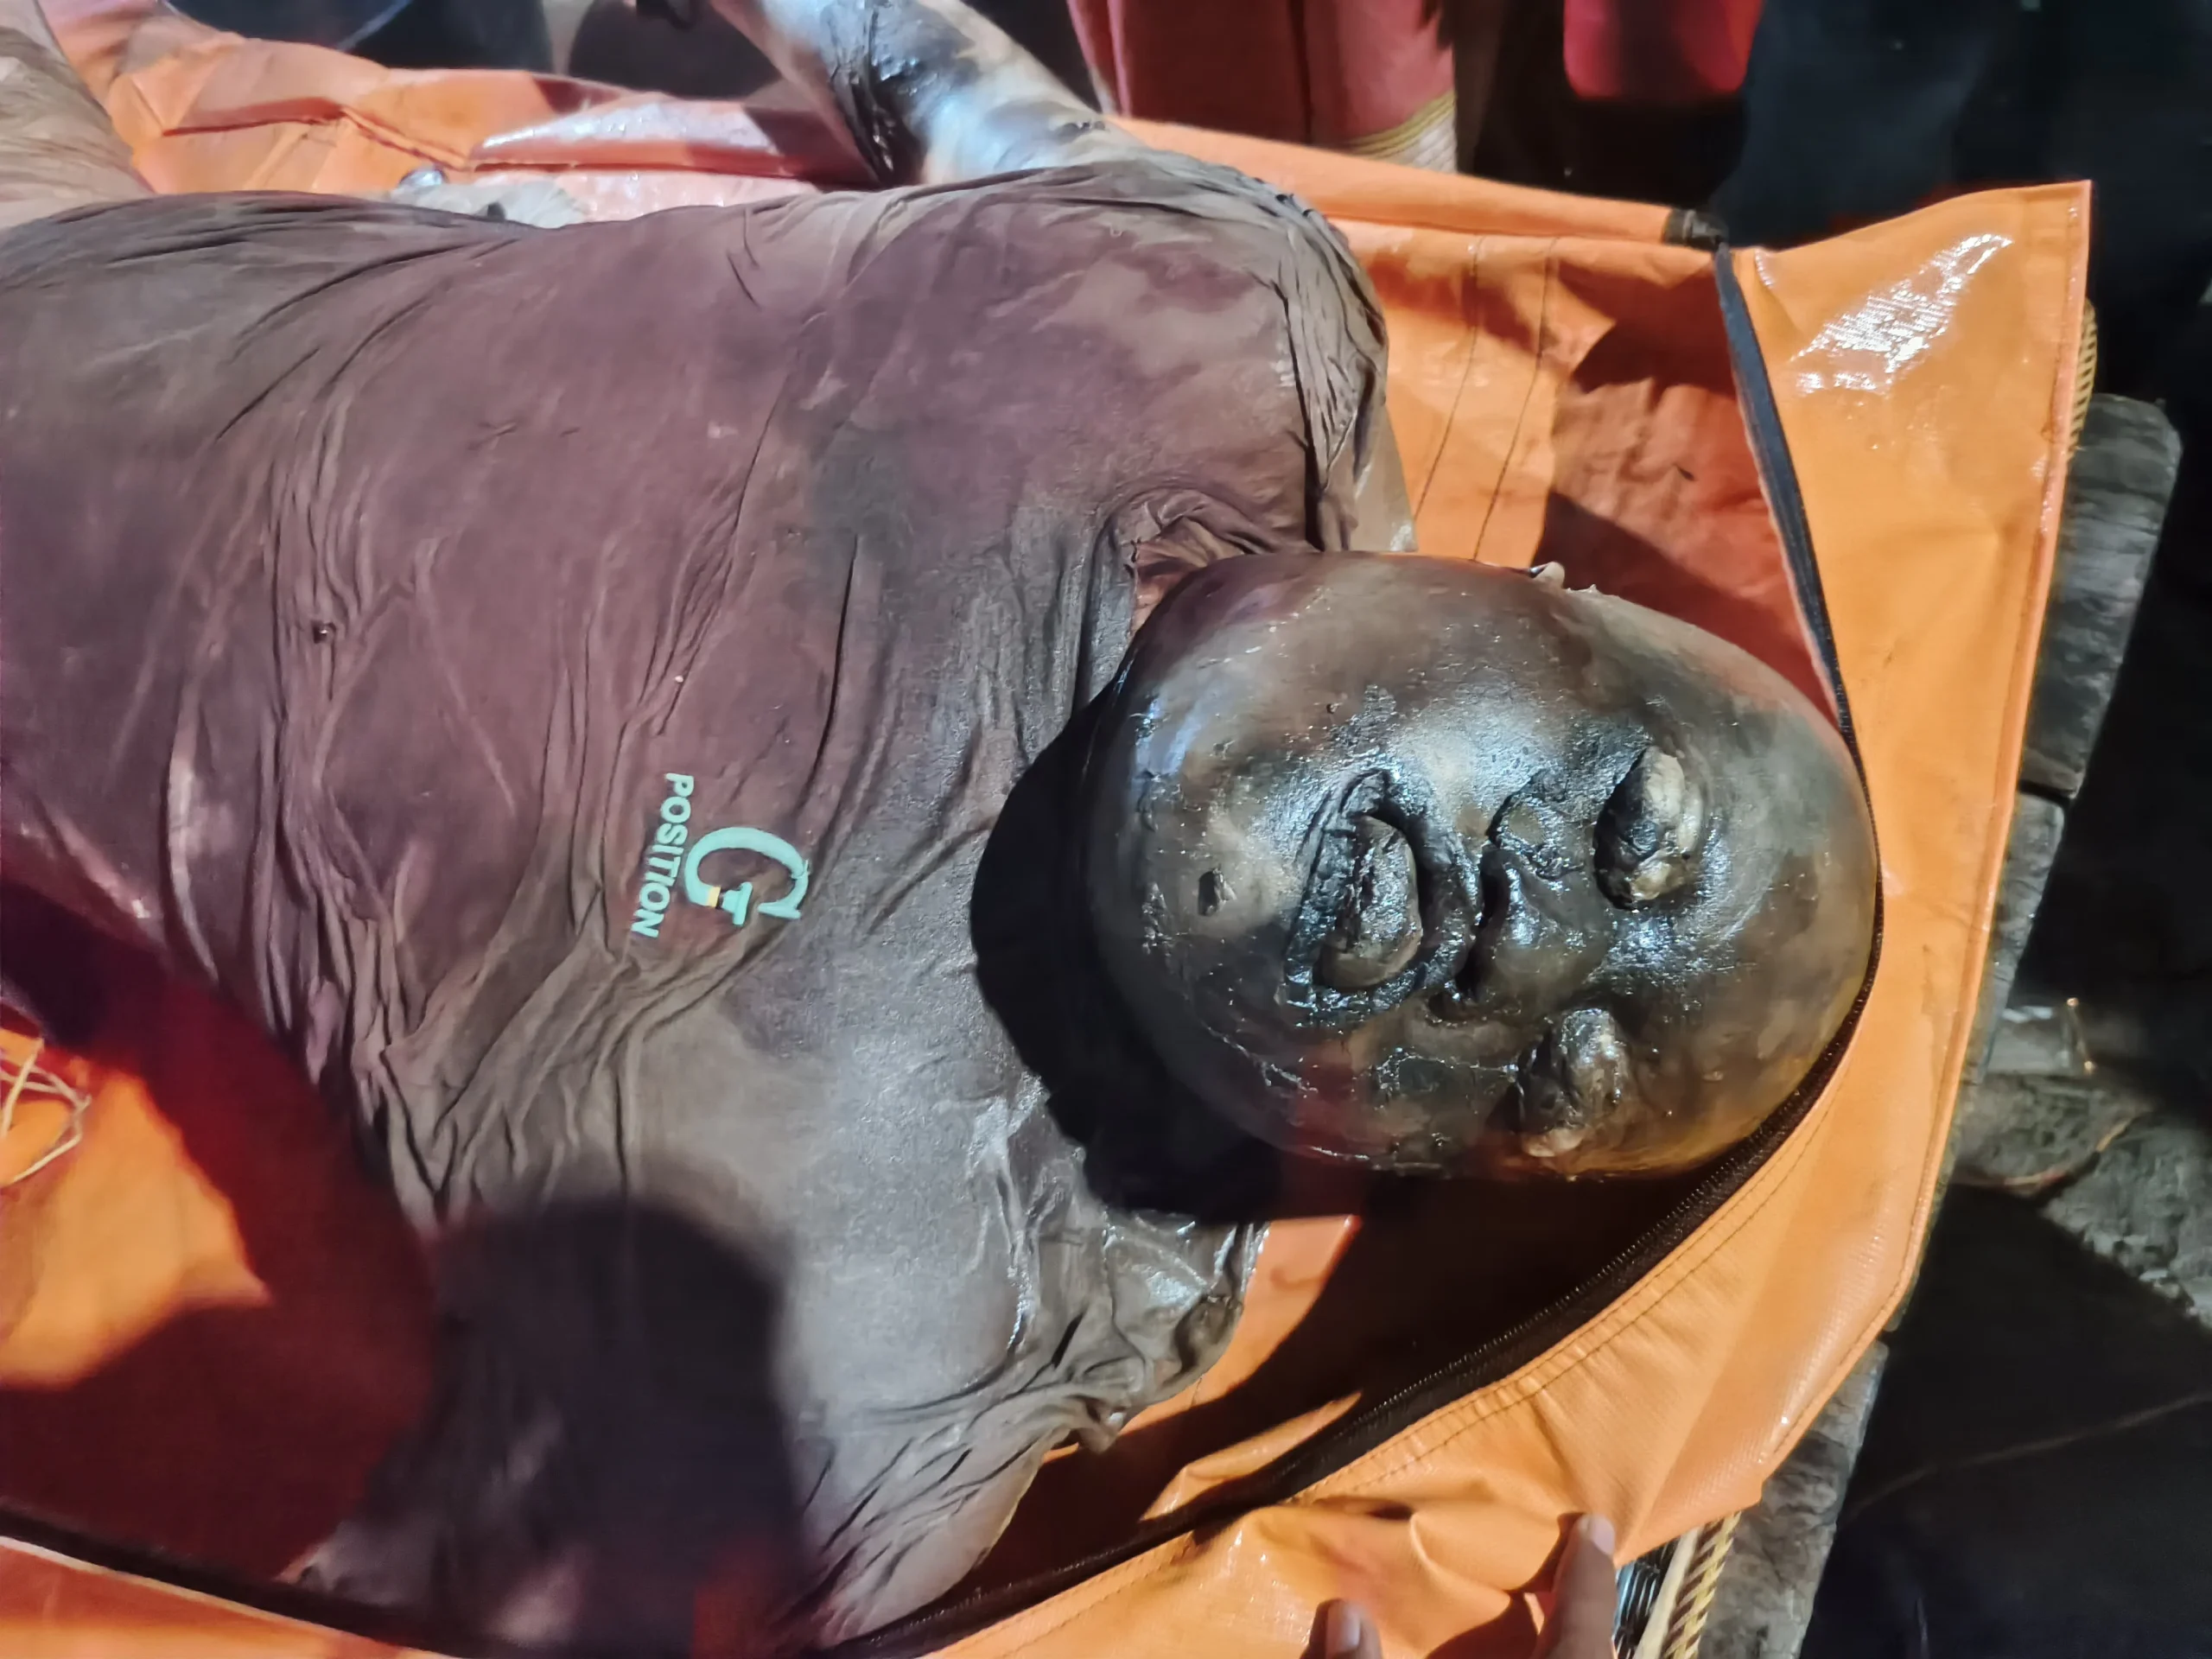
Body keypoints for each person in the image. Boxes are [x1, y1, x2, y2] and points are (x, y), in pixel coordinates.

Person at [0, 0, 1873, 1648]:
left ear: (1409, 1164)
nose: (1519, 945)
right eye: (1625, 828)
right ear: (1542, 599)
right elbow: (931, 78)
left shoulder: (858, 1343)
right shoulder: (1224, 317)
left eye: (1548, 1079)